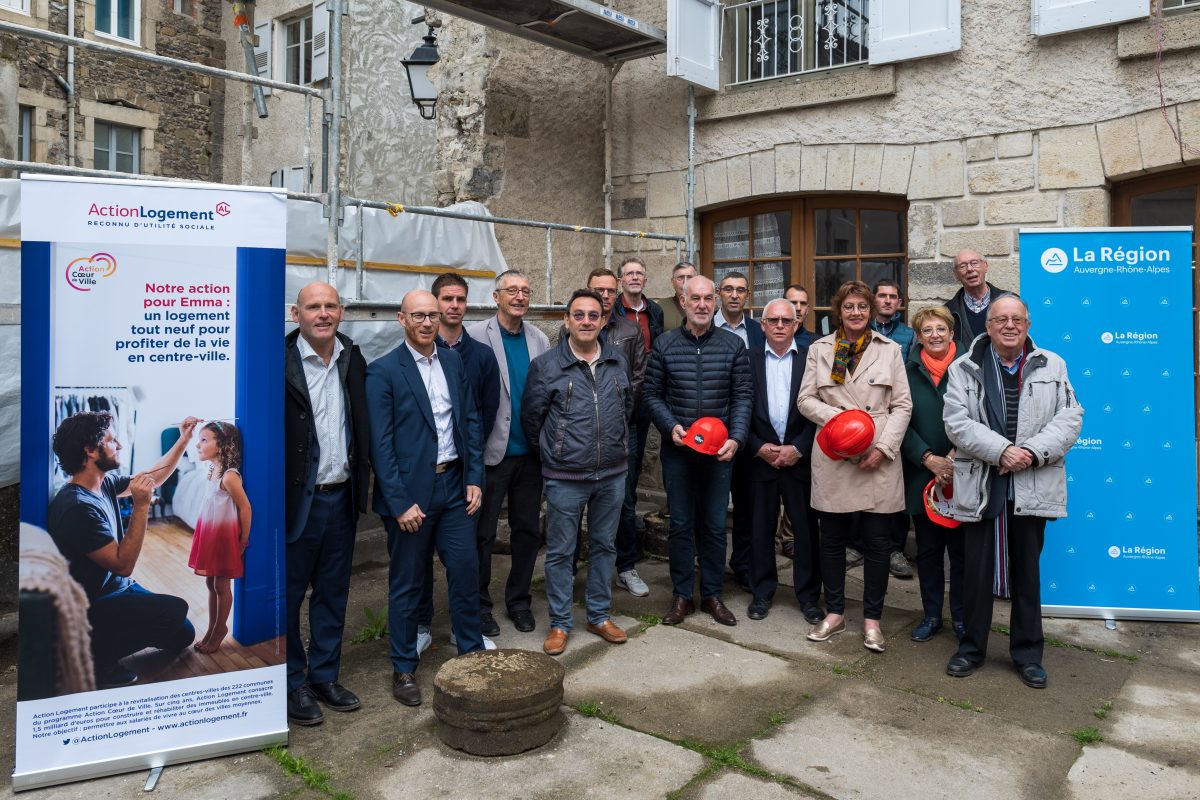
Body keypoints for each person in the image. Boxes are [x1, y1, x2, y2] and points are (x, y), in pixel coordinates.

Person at [943, 294, 1082, 689]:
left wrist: (1030, 454)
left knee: (1027, 574)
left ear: (1028, 324)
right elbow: (956, 423)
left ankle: (1028, 655)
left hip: (1031, 482)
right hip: (983, 483)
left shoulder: (1053, 364)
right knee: (975, 573)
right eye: (1000, 319)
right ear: (987, 326)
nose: (1009, 325)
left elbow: (1070, 418)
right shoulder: (963, 368)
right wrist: (1001, 450)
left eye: (1016, 319)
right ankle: (970, 649)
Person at [367, 289, 486, 707]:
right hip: (411, 494)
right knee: (407, 583)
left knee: (465, 569)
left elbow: (469, 419)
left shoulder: (453, 360)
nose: (426, 323)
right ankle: (403, 668)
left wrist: (475, 476)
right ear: (401, 319)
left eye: (432, 316)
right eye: (417, 315)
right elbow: (379, 446)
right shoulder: (383, 371)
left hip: (454, 486)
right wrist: (399, 502)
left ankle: (471, 654)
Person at [798, 280, 912, 653]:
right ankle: (834, 612)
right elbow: (805, 400)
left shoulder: (890, 350)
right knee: (831, 541)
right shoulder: (821, 349)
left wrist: (882, 446)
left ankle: (872, 620)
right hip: (834, 453)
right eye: (849, 307)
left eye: (862, 306)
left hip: (877, 458)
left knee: (878, 543)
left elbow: (902, 406)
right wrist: (843, 423)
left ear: (871, 310)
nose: (857, 313)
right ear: (839, 311)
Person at [47, 412, 199, 688]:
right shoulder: (77, 507)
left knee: (183, 634)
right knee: (175, 610)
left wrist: (184, 439)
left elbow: (154, 476)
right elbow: (122, 564)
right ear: (90, 450)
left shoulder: (102, 484)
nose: (119, 445)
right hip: (90, 604)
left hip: (115, 588)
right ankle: (93, 661)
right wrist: (141, 506)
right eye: (111, 440)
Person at [523, 289, 634, 655]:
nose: (587, 321)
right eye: (579, 315)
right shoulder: (546, 366)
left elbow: (626, 409)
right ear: (566, 321)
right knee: (560, 552)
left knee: (604, 546)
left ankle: (599, 614)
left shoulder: (618, 360)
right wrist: (558, 454)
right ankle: (559, 623)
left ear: (603, 321)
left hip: (612, 475)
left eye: (593, 315)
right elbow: (532, 419)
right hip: (565, 477)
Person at [644, 275, 752, 627]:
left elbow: (743, 397)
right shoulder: (664, 344)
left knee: (716, 525)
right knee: (679, 524)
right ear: (684, 301)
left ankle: (712, 595)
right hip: (679, 451)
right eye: (696, 298)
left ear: (716, 301)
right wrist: (669, 425)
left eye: (709, 298)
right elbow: (651, 394)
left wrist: (736, 438)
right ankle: (680, 596)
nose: (703, 304)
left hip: (719, 453)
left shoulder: (733, 346)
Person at [285, 281, 370, 726]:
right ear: (295, 313)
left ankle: (324, 676)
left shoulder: (351, 359)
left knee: (333, 594)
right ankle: (293, 682)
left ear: (341, 312)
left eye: (330, 306)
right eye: (313, 306)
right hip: (297, 504)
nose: (323, 313)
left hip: (340, 498)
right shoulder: (278, 363)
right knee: (290, 595)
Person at [414, 272, 501, 651]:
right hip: (421, 476)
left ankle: (467, 628)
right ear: (432, 307)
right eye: (446, 300)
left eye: (460, 300)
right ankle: (420, 626)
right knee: (417, 562)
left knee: (465, 559)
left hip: (461, 475)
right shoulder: (407, 358)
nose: (452, 307)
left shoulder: (480, 356)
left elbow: (483, 415)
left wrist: (474, 471)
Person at [467, 271, 551, 634]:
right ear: (496, 296)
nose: (519, 296)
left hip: (530, 454)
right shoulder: (475, 335)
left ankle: (518, 601)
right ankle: (480, 605)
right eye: (512, 290)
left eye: (525, 291)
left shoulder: (539, 338)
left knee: (527, 531)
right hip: (491, 453)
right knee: (482, 534)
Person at [743, 299, 821, 624]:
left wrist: (799, 448)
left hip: (798, 460)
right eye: (772, 320)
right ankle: (762, 592)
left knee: (805, 531)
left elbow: (821, 410)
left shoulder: (811, 360)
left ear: (795, 325)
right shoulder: (746, 360)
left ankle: (808, 596)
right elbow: (737, 409)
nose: (778, 325)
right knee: (759, 531)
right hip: (760, 459)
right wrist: (758, 447)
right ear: (761, 326)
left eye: (785, 321)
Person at [899, 307, 965, 643]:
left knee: (962, 552)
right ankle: (931, 615)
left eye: (941, 328)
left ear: (951, 332)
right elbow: (898, 419)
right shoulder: (907, 370)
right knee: (927, 550)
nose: (935, 335)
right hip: (922, 474)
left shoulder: (972, 367)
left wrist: (954, 457)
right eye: (927, 330)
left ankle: (963, 618)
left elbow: (982, 415)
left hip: (964, 473)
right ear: (918, 336)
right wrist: (928, 458)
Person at [584, 268, 649, 597]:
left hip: (625, 429)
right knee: (582, 498)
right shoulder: (578, 327)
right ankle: (579, 567)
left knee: (623, 500)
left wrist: (614, 418)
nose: (606, 295)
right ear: (588, 290)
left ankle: (625, 566)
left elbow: (637, 379)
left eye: (611, 290)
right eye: (600, 290)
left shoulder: (629, 330)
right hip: (583, 432)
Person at [611, 256, 663, 597]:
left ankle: (625, 564)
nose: (635, 277)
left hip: (641, 406)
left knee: (627, 486)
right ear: (620, 280)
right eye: (629, 273)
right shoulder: (609, 314)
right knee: (611, 489)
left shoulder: (653, 312)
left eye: (639, 273)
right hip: (610, 407)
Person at [714, 271, 765, 591]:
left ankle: (743, 564)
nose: (734, 295)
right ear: (719, 293)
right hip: (715, 429)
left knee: (747, 505)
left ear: (748, 295)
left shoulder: (758, 331)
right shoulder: (706, 327)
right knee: (712, 506)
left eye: (740, 290)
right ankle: (710, 567)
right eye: (728, 289)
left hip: (748, 431)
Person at [188, 421, 251, 655]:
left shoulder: (229, 476)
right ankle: (212, 628)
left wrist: (243, 540)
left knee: (221, 584)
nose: (198, 444)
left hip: (224, 538)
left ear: (222, 444)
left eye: (204, 440)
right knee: (209, 582)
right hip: (211, 534)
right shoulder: (213, 470)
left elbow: (245, 508)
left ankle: (219, 630)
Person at [869, 279, 916, 580]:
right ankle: (858, 543)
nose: (887, 301)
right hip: (863, 418)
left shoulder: (909, 336)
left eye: (892, 297)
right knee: (859, 479)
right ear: (874, 300)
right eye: (882, 296)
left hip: (896, 416)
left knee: (895, 485)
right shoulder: (856, 333)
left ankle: (894, 548)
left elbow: (909, 377)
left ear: (899, 302)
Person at [944, 249, 1001, 346]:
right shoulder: (947, 312)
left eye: (974, 263)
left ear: (985, 266)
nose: (970, 269)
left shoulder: (1010, 302)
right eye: (962, 266)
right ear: (956, 275)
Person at [657, 260, 696, 332]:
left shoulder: (706, 305)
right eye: (680, 277)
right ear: (672, 282)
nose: (685, 282)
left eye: (689, 277)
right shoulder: (662, 306)